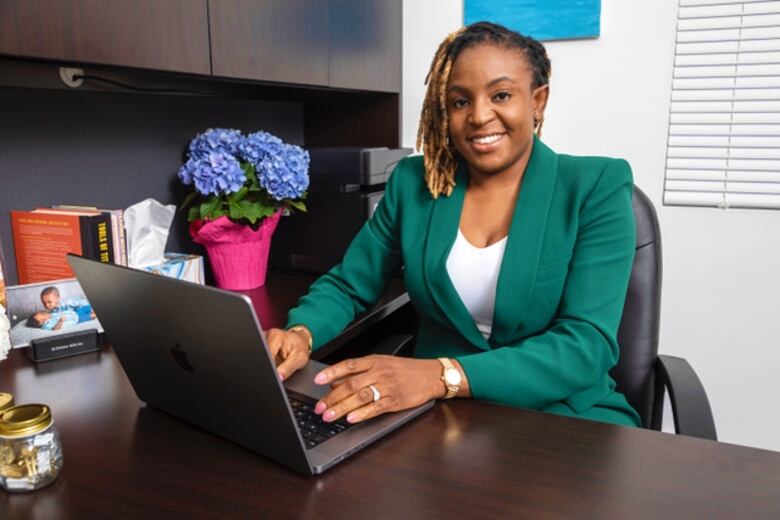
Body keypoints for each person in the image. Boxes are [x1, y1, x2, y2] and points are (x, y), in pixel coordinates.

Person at [266, 22, 641, 428]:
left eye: (500, 95)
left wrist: (441, 375)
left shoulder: (595, 186)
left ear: (538, 101)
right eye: (460, 101)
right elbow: (350, 284)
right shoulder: (415, 183)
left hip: (563, 415)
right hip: (444, 420)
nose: (479, 116)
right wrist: (301, 333)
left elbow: (586, 345)